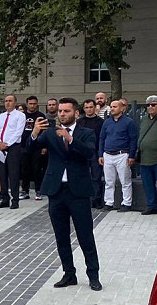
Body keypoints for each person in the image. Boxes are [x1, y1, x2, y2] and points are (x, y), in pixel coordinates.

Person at [28, 98, 102, 291]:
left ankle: (93, 275)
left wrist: (70, 139)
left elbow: (89, 152)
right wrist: (35, 133)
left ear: (76, 113)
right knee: (61, 236)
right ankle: (69, 274)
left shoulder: (86, 133)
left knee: (85, 236)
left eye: (66, 111)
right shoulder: (50, 133)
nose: (62, 114)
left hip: (78, 192)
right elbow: (29, 149)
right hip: (57, 191)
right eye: (60, 111)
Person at [99, 99, 138, 212]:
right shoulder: (106, 122)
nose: (112, 109)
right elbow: (102, 138)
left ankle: (126, 203)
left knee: (125, 180)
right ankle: (109, 202)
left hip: (122, 154)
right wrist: (100, 154)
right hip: (107, 154)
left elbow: (133, 139)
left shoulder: (128, 122)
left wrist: (131, 155)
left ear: (122, 108)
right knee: (109, 180)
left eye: (115, 107)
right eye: (111, 106)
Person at [0, 94, 27, 209]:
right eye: (6, 101)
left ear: (15, 103)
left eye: (10, 101)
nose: (7, 103)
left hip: (13, 147)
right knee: (2, 174)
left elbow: (18, 132)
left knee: (13, 174)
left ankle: (15, 200)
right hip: (1, 147)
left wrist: (7, 144)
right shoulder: (1, 116)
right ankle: (4, 199)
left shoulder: (20, 115)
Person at [77, 99, 105, 209]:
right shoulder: (80, 122)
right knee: (81, 176)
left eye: (91, 107)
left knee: (96, 178)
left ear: (95, 108)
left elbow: (102, 138)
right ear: (84, 109)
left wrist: (100, 153)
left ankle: (96, 200)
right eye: (86, 107)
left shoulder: (101, 122)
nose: (89, 109)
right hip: (81, 152)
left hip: (95, 152)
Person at [20, 97, 44, 200]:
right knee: (24, 169)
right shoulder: (21, 116)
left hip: (37, 147)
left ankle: (38, 191)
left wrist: (44, 146)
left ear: (37, 104)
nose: (32, 105)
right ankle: (25, 191)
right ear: (27, 104)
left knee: (37, 169)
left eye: (34, 103)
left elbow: (44, 132)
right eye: (30, 103)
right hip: (23, 146)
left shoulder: (41, 116)